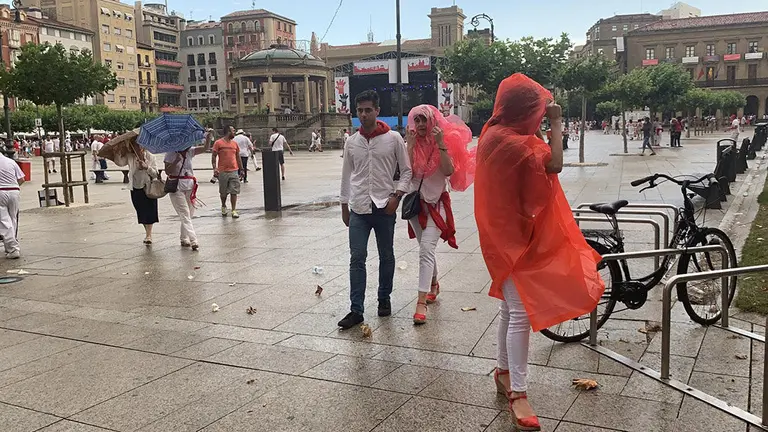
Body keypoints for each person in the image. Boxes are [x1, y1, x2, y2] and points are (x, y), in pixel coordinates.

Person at [474, 73, 605, 432]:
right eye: (537, 109)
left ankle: (503, 373)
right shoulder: (517, 144)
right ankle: (518, 392)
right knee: (518, 313)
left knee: (508, 307)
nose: (539, 115)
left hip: (500, 234)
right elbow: (556, 163)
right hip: (515, 238)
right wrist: (558, 122)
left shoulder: (492, 134)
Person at [338, 90, 413, 329]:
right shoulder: (352, 141)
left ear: (377, 111)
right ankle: (356, 309)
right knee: (357, 257)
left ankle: (384, 298)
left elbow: (407, 171)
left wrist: (397, 196)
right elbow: (346, 175)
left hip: (384, 206)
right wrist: (343, 204)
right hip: (359, 207)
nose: (363, 114)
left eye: (368, 110)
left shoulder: (393, 139)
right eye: (360, 110)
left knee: (387, 255)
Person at [405, 104, 475, 324]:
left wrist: (441, 143)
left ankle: (421, 302)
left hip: (437, 206)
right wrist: (409, 145)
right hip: (416, 207)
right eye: (417, 120)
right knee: (424, 248)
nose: (421, 125)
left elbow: (448, 171)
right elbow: (406, 172)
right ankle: (434, 282)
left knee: (426, 249)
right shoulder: (411, 144)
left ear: (433, 122)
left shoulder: (444, 142)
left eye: (424, 120)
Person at [165, 134, 213, 250]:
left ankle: (183, 237)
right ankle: (193, 239)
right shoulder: (170, 154)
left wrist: (208, 138)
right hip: (177, 186)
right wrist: (176, 161)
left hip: (190, 185)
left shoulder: (190, 152)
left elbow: (205, 148)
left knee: (189, 214)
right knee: (184, 213)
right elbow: (167, 171)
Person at [127, 140, 159, 245]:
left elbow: (155, 174)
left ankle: (148, 235)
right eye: (136, 145)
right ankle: (147, 231)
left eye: (140, 145)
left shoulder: (150, 156)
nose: (138, 147)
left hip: (148, 186)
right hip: (136, 186)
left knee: (149, 211)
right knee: (140, 211)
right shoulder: (131, 157)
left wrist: (146, 167)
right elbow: (119, 162)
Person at [212, 125, 243, 218]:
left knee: (234, 191)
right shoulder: (218, 143)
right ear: (228, 132)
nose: (234, 132)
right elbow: (214, 155)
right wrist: (215, 168)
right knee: (223, 192)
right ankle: (223, 205)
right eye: (233, 130)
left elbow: (238, 156)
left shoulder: (234, 144)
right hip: (223, 171)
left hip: (234, 170)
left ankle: (233, 209)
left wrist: (241, 169)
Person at [0, 152, 24, 259]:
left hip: (1, 192)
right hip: (14, 190)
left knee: (4, 220)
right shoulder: (11, 162)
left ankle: (13, 248)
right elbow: (22, 179)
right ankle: (11, 245)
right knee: (13, 219)